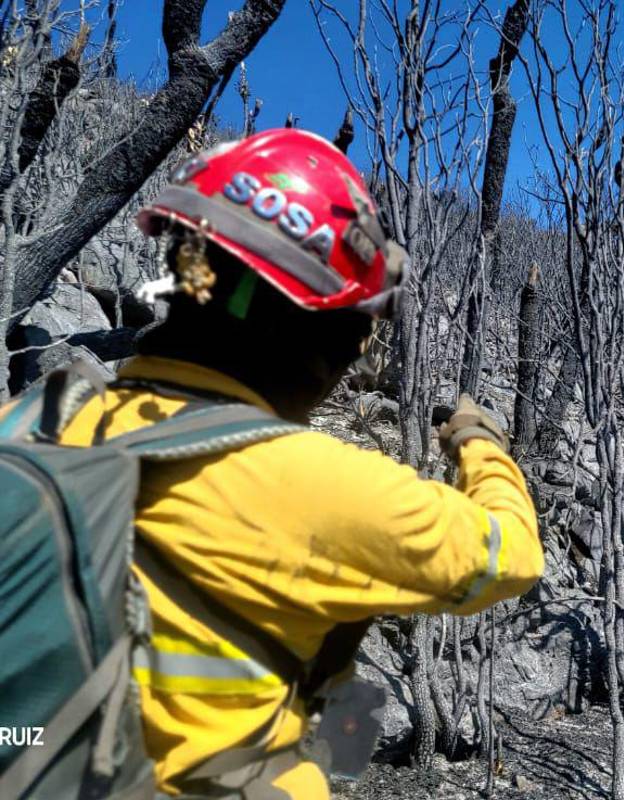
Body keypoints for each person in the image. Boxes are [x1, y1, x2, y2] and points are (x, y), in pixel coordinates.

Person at [44, 129, 543, 799]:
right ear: (323, 338)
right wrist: (480, 444)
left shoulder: (33, 425)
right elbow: (510, 556)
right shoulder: (329, 489)